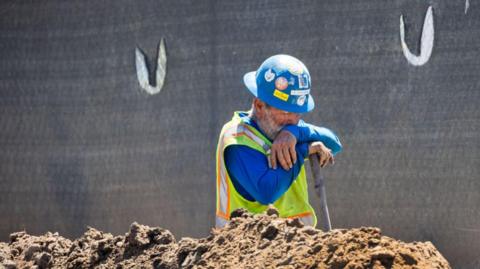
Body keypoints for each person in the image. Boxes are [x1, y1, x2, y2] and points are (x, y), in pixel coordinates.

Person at [215, 54, 342, 228]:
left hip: (299, 248)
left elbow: (334, 144)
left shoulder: (286, 127)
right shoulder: (237, 139)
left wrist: (295, 132)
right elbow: (267, 191)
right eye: (286, 113)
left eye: (298, 113)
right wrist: (304, 150)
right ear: (259, 106)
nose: (293, 120)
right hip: (248, 250)